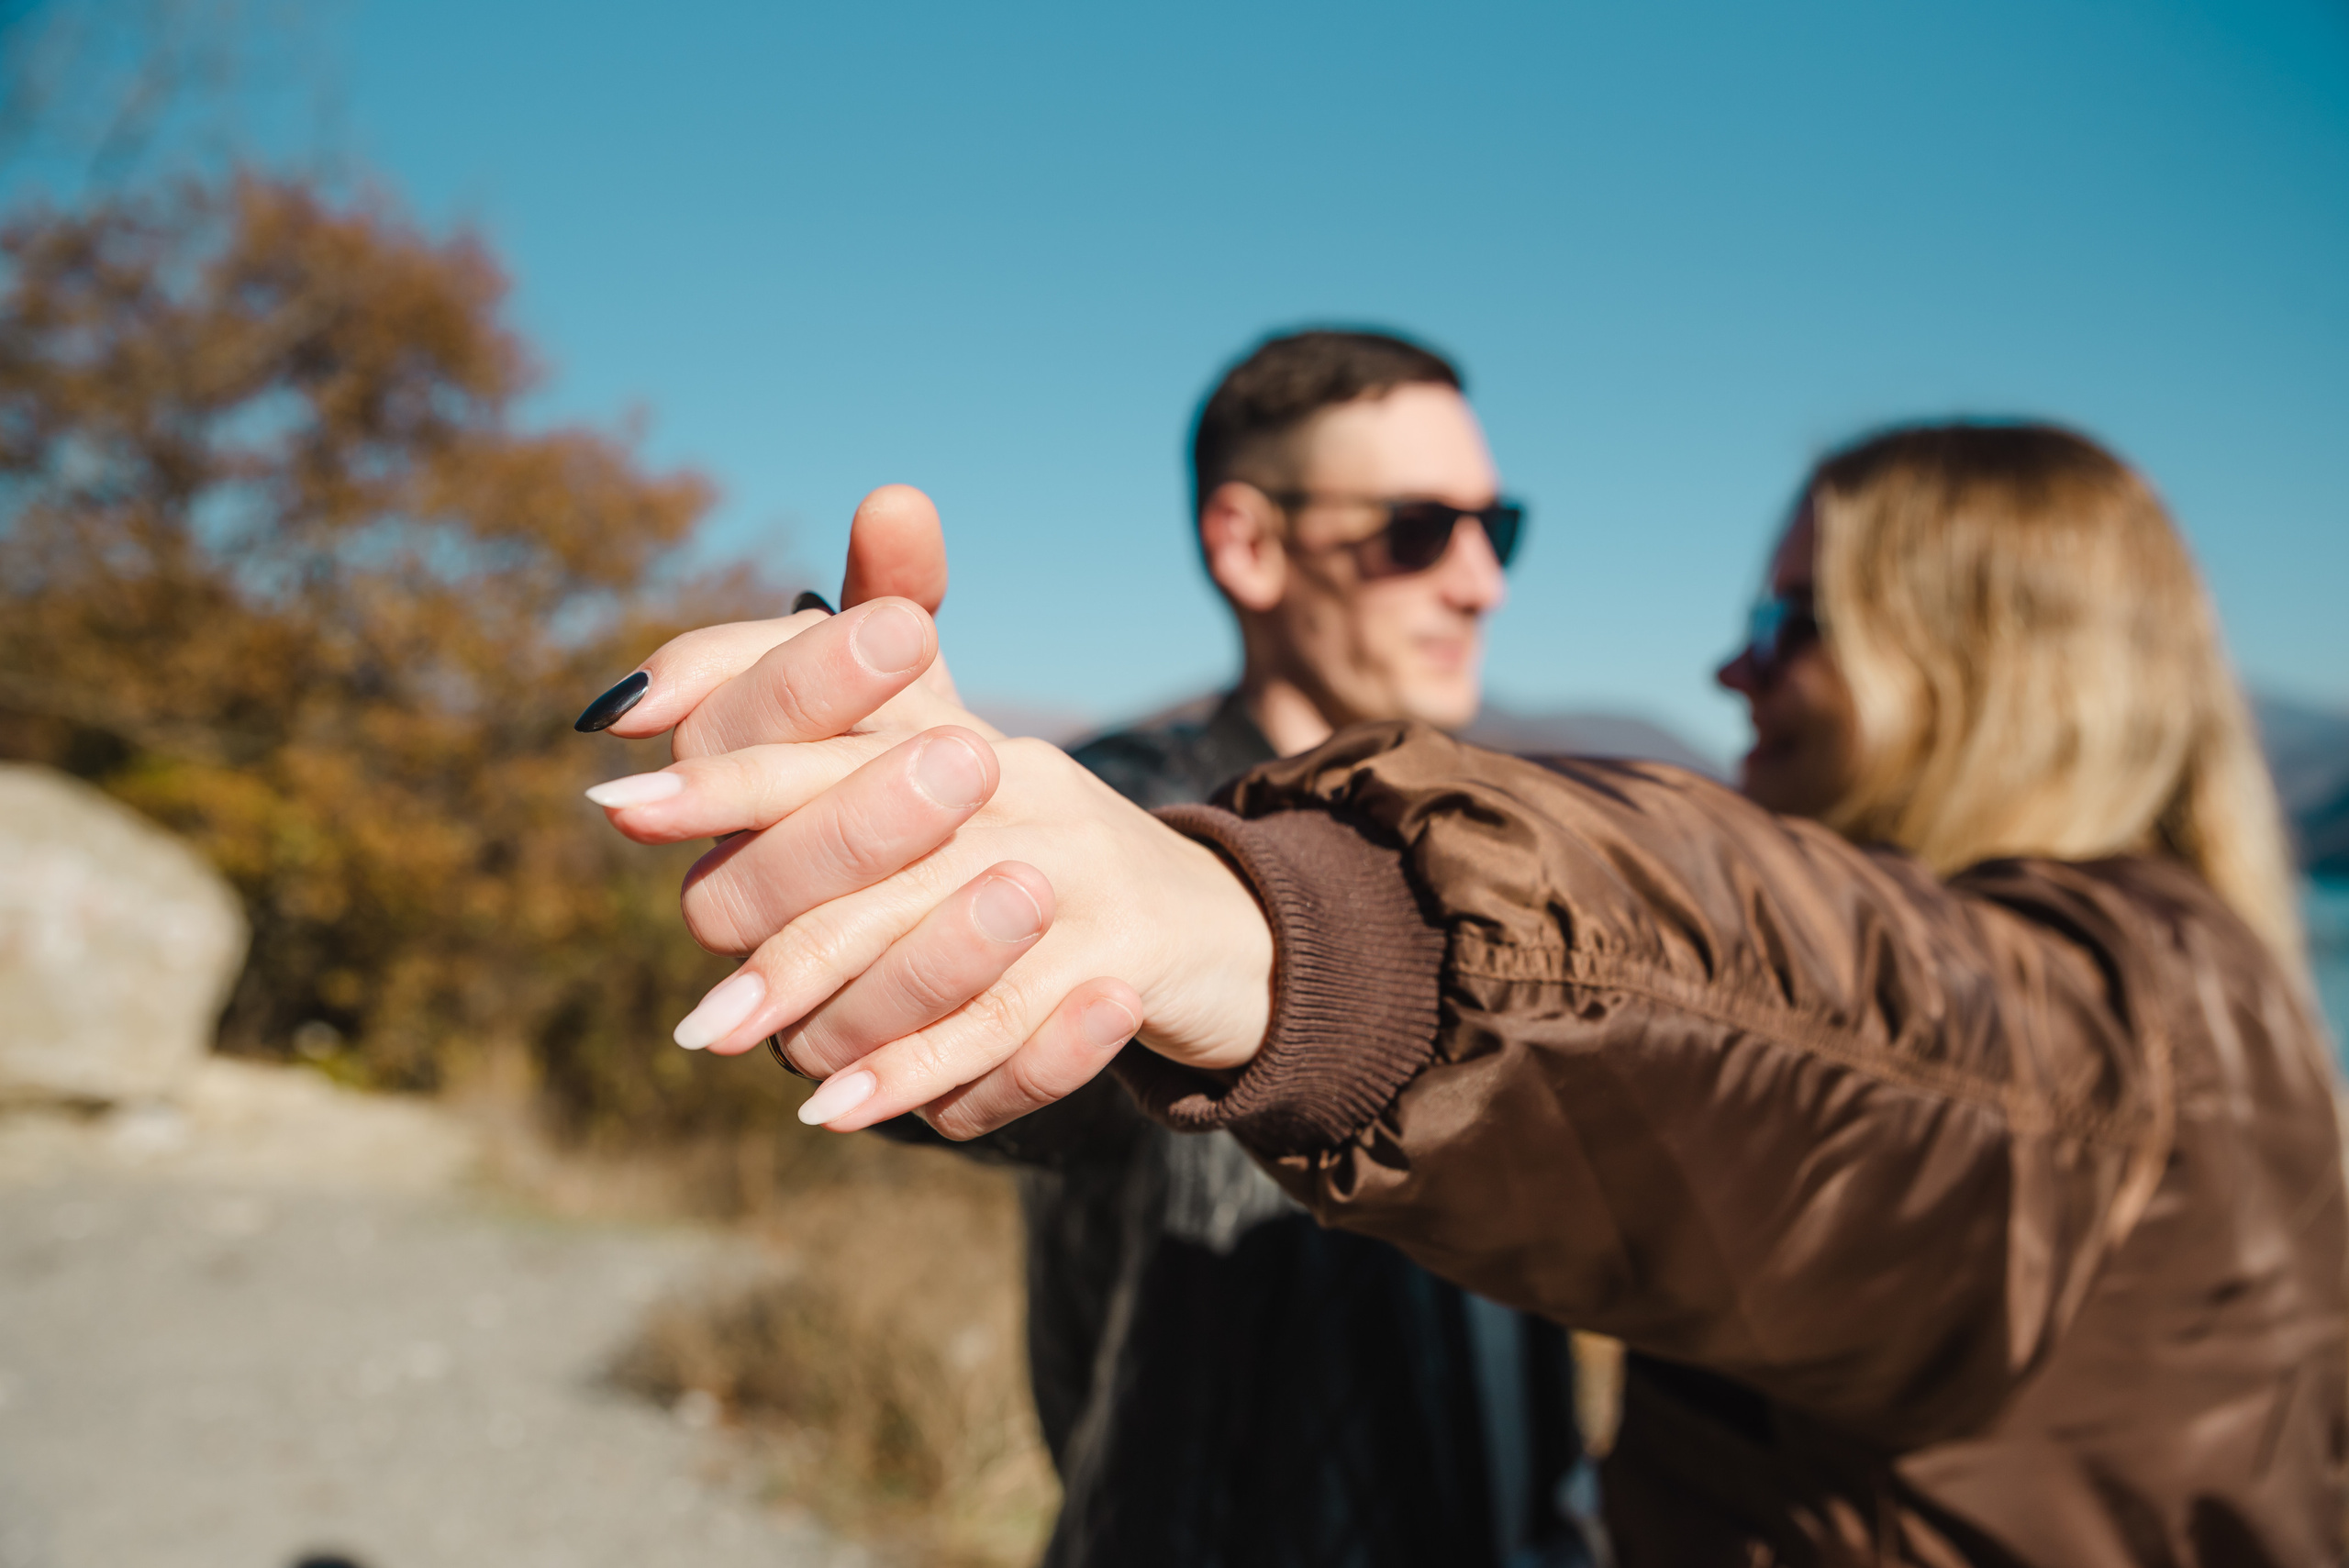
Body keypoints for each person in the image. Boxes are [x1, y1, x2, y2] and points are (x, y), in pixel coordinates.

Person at [583, 420, 2344, 1564]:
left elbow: (1820, 1033)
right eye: (1422, 524)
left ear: (1996, 667)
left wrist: (1266, 932)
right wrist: (1031, 913)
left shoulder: (2105, 1023)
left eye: (1797, 617)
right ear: (1247, 540)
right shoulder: (2213, 988)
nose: (1734, 659)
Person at [615, 328, 1597, 1567]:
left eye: (1492, 529)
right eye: (1417, 530)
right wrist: (929, 884)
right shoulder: (1124, 806)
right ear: (1248, 542)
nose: (1477, 581)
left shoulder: (1504, 840)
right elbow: (1063, 1068)